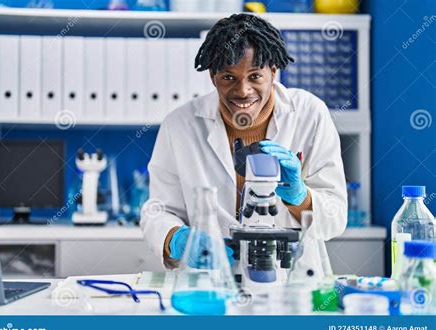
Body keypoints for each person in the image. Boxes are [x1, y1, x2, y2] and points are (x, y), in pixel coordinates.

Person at [141, 13, 347, 279]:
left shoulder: (310, 114)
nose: (243, 90)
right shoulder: (179, 125)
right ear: (212, 76)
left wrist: (300, 197)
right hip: (210, 282)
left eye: (254, 76)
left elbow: (336, 217)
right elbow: (159, 210)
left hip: (292, 280)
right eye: (228, 77)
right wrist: (177, 239)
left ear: (274, 72)